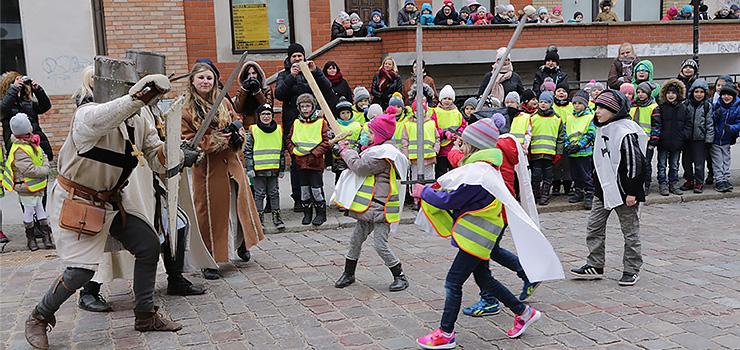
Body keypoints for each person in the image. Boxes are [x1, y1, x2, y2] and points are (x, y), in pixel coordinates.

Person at [23, 61, 188, 350]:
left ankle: (145, 315)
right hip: (78, 200)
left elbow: (153, 155)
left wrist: (176, 151)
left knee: (149, 245)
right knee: (81, 272)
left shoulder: (140, 120)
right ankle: (39, 317)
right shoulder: (87, 116)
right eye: (130, 89)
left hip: (113, 200)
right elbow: (105, 116)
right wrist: (135, 99)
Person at [415, 118, 543, 349]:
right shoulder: (483, 168)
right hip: (478, 236)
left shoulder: (479, 174)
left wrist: (424, 191)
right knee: (484, 278)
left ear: (474, 147)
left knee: (453, 283)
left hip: (476, 239)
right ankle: (523, 312)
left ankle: (445, 333)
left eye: (463, 144)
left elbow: (451, 200)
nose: (459, 147)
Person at [181, 62, 264, 279]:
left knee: (239, 208)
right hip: (209, 170)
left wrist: (236, 135)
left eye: (209, 78)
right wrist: (215, 139)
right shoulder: (185, 110)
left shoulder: (224, 101)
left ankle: (241, 243)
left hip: (233, 165)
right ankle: (209, 258)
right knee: (211, 214)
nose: (206, 82)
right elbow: (187, 142)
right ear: (192, 81)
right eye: (201, 78)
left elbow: (238, 121)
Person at [570, 90, 646, 286]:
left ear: (614, 110)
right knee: (594, 227)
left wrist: (632, 191)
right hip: (603, 190)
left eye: (602, 108)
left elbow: (634, 164)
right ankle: (595, 264)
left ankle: (631, 268)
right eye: (596, 107)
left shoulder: (625, 131)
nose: (597, 111)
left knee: (630, 231)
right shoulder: (603, 128)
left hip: (624, 191)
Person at [333, 111, 410, 291]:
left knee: (380, 244)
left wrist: (346, 152)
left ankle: (400, 275)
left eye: (371, 133)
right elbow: (361, 158)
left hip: (382, 207)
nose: (367, 136)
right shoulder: (377, 150)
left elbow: (360, 167)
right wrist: (349, 149)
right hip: (370, 205)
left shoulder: (384, 154)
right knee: (355, 239)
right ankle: (348, 273)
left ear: (380, 135)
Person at [274, 43, 333, 211]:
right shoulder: (283, 75)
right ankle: (299, 198)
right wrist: (290, 77)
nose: (298, 59)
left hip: (313, 126)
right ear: (289, 58)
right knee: (295, 163)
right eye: (294, 57)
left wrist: (316, 72)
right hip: (293, 125)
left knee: (315, 161)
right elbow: (279, 94)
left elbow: (327, 89)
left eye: (300, 56)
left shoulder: (312, 72)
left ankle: (317, 197)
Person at [3, 113, 52, 251]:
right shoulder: (19, 148)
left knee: (40, 208)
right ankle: (31, 239)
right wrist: (45, 170)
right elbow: (29, 169)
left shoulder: (31, 142)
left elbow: (42, 154)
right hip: (25, 186)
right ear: (26, 128)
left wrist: (45, 166)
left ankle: (46, 236)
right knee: (29, 211)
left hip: (36, 184)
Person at [285, 93, 331, 225]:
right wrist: (293, 151)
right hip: (300, 162)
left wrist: (314, 154)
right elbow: (289, 139)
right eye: (302, 106)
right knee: (304, 190)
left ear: (313, 107)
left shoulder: (321, 122)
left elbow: (326, 141)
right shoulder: (296, 122)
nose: (305, 109)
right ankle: (307, 213)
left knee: (317, 189)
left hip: (315, 162)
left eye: (308, 106)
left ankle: (321, 213)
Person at [244, 103, 286, 229]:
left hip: (273, 168)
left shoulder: (279, 129)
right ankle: (259, 219)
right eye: (263, 114)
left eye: (268, 114)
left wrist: (282, 168)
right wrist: (249, 168)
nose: (266, 117)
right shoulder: (253, 130)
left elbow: (281, 151)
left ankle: (277, 217)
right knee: (259, 194)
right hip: (258, 170)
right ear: (259, 116)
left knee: (274, 193)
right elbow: (248, 151)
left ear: (272, 116)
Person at [0, 72, 53, 162]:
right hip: (18, 146)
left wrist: (37, 89)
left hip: (36, 144)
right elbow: (3, 111)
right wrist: (14, 89)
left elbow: (45, 106)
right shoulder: (6, 105)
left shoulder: (28, 103)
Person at [655, 79, 691, 196]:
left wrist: (684, 135)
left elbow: (688, 123)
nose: (671, 95)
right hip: (663, 141)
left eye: (673, 93)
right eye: (669, 93)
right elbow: (657, 123)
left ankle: (673, 183)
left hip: (677, 141)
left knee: (674, 164)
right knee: (661, 164)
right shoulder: (661, 107)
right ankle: (662, 183)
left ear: (678, 94)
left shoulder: (683, 107)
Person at [402, 98, 440, 210]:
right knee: (415, 179)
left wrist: (435, 150)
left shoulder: (431, 123)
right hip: (415, 158)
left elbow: (437, 138)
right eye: (416, 110)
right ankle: (416, 200)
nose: (419, 112)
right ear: (413, 112)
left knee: (429, 179)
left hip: (429, 157)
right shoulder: (408, 125)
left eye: (421, 110)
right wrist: (406, 155)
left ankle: (429, 199)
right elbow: (405, 141)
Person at [529, 91, 565, 205]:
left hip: (550, 154)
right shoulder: (532, 118)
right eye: (541, 102)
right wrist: (528, 151)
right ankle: (535, 193)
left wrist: (559, 152)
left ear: (551, 103)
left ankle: (545, 194)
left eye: (546, 102)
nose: (543, 104)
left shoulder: (557, 119)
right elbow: (528, 136)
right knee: (536, 175)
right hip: (536, 153)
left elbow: (560, 138)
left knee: (548, 176)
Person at [679, 79, 714, 193]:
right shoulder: (686, 104)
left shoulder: (707, 106)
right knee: (686, 162)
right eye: (696, 92)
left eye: (701, 92)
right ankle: (689, 180)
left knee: (699, 164)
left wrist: (709, 139)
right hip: (687, 139)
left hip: (700, 139)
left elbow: (709, 123)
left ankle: (699, 182)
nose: (698, 94)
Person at [565, 91, 596, 209]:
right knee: (575, 174)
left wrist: (580, 145)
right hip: (572, 152)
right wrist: (568, 146)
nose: (577, 105)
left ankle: (589, 193)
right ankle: (578, 191)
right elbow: (565, 133)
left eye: (580, 103)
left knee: (586, 174)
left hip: (584, 151)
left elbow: (591, 133)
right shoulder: (569, 118)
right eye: (575, 103)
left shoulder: (590, 117)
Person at [629, 81, 660, 194]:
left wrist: (653, 143)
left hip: (647, 141)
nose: (640, 94)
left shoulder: (653, 107)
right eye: (638, 92)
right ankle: (637, 183)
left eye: (643, 92)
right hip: (634, 140)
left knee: (646, 163)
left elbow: (656, 126)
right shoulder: (633, 106)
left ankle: (646, 183)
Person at [710, 83, 740, 192]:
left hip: (727, 140)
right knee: (718, 161)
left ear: (733, 96)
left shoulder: (737, 108)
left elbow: (738, 123)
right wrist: (716, 115)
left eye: (729, 95)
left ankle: (726, 179)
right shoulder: (716, 105)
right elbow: (710, 121)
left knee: (726, 160)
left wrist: (731, 128)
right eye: (724, 94)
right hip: (716, 139)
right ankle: (719, 180)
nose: (726, 97)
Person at [434, 85, 466, 178]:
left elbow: (463, 125)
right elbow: (434, 127)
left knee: (454, 172)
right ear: (440, 100)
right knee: (441, 173)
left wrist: (457, 135)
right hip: (441, 149)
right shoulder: (436, 112)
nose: (447, 101)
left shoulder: (457, 113)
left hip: (454, 147)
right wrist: (445, 134)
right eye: (444, 98)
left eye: (449, 98)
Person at [330, 97, 362, 184]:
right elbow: (332, 141)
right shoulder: (334, 125)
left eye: (348, 112)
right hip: (339, 159)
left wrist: (355, 150)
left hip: (354, 158)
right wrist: (340, 151)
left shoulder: (358, 125)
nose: (346, 115)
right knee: (340, 181)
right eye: (343, 113)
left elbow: (360, 140)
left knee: (352, 181)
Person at [234, 61, 273, 126]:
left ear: (258, 74)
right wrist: (244, 90)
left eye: (254, 73)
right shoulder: (241, 91)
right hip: (248, 127)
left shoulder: (266, 90)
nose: (251, 76)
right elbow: (238, 109)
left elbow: (267, 107)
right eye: (248, 74)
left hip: (264, 126)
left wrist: (257, 91)